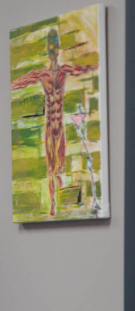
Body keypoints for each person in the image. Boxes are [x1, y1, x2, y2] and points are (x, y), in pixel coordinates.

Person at [11, 28, 96, 216]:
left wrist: (96, 67)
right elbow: (23, 81)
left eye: (54, 45)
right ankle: (52, 204)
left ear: (57, 48)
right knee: (50, 169)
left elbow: (81, 69)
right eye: (49, 45)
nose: (52, 49)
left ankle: (59, 196)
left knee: (60, 169)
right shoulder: (42, 74)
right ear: (48, 48)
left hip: (61, 129)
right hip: (50, 127)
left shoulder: (65, 71)